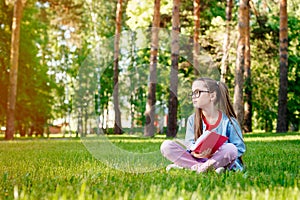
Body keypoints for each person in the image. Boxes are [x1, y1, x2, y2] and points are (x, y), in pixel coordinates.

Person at [160, 77, 246, 173]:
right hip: (197, 159)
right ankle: (204, 168)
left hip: (220, 159)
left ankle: (194, 167)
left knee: (231, 149)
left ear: (212, 96)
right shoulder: (192, 120)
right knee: (166, 146)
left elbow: (239, 148)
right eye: (192, 93)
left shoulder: (229, 122)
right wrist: (196, 153)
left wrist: (215, 152)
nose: (193, 96)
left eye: (197, 92)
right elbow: (190, 144)